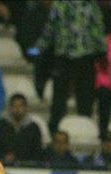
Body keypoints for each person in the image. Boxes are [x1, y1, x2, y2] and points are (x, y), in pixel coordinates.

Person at [36, 0, 106, 133]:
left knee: (84, 97)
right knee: (59, 97)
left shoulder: (90, 5)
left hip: (84, 57)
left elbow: (97, 28)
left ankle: (85, 129)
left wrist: (102, 50)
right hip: (64, 57)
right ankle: (55, 130)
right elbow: (50, 28)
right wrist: (40, 47)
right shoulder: (59, 4)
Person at [0, 93, 43, 166]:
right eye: (14, 106)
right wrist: (4, 157)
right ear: (10, 108)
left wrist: (20, 158)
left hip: (28, 167)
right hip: (2, 165)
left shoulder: (33, 128)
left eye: (20, 106)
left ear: (26, 108)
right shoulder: (0, 126)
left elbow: (37, 150)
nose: (17, 109)